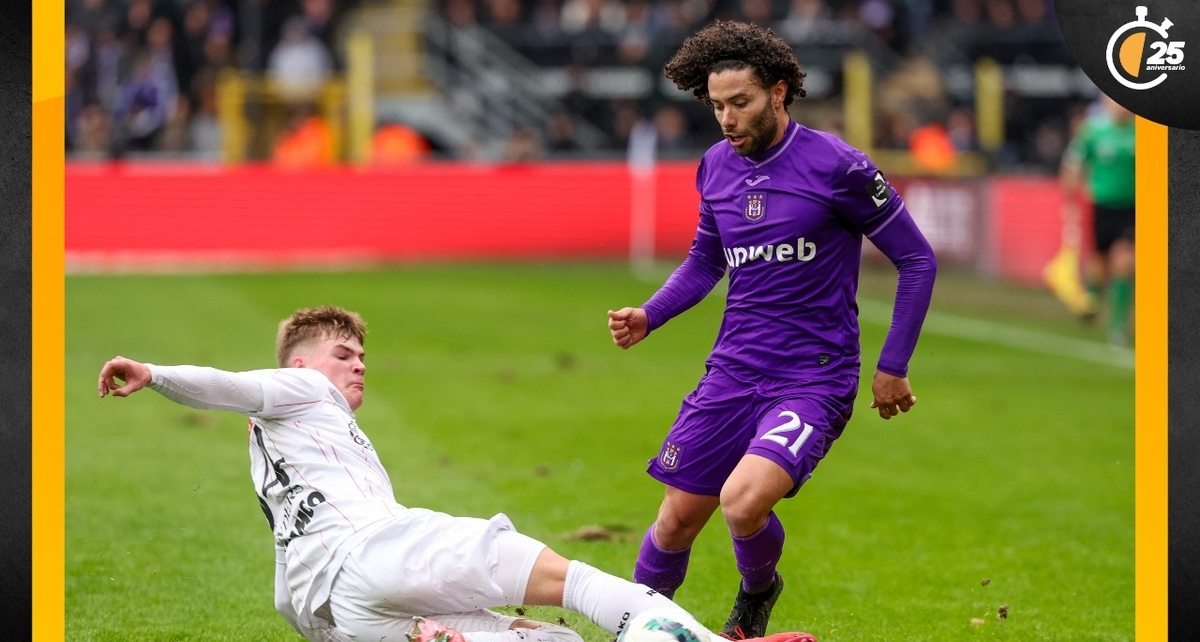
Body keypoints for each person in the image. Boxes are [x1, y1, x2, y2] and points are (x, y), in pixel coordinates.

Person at [97, 305, 819, 642]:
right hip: (382, 552)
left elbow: (290, 601)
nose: (358, 365)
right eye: (343, 352)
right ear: (300, 365)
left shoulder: (278, 465)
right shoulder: (302, 390)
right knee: (577, 583)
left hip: (351, 611)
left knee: (553, 640)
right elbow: (227, 384)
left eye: (361, 356)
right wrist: (153, 373)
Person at [606, 20, 937, 639]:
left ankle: (757, 592)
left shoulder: (838, 166)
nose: (727, 119)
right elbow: (707, 260)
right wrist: (651, 314)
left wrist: (893, 364)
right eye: (717, 106)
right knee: (675, 521)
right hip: (733, 370)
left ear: (778, 92)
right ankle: (635, 627)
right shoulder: (714, 167)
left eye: (741, 103)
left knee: (742, 500)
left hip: (813, 377)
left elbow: (917, 259)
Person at [1059, 92, 1136, 345]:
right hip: (1101, 206)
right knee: (1099, 262)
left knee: (1123, 262)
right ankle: (1091, 301)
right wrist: (1071, 201)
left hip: (1131, 207)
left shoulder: (1142, 132)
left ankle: (1117, 326)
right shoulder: (1092, 131)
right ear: (1105, 102)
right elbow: (1073, 164)